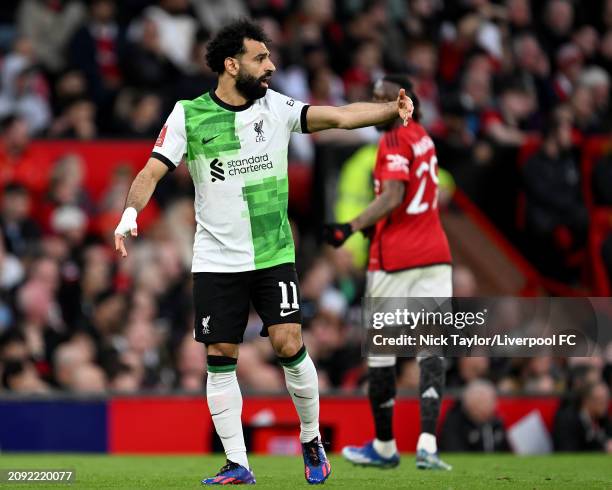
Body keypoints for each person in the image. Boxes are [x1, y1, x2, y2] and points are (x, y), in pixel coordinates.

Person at [113, 19, 413, 486]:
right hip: (215, 259)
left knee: (288, 343)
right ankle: (238, 463)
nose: (271, 66)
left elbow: (336, 116)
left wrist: (386, 112)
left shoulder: (274, 106)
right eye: (260, 58)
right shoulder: (188, 114)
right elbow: (151, 172)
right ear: (231, 65)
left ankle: (311, 439)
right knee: (220, 354)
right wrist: (130, 214)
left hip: (272, 253)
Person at [323, 75, 452, 470]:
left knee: (381, 355)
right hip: (436, 254)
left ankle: (383, 446)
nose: (375, 105)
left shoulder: (394, 141)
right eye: (373, 97)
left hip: (395, 258)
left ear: (402, 102)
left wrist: (350, 227)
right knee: (431, 350)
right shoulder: (424, 137)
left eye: (382, 99)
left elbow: (394, 197)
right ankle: (428, 444)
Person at [439, 379, 509, 452]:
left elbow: (507, 452)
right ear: (468, 404)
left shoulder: (497, 423)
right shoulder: (455, 422)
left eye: (487, 402)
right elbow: (453, 449)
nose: (484, 408)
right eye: (480, 402)